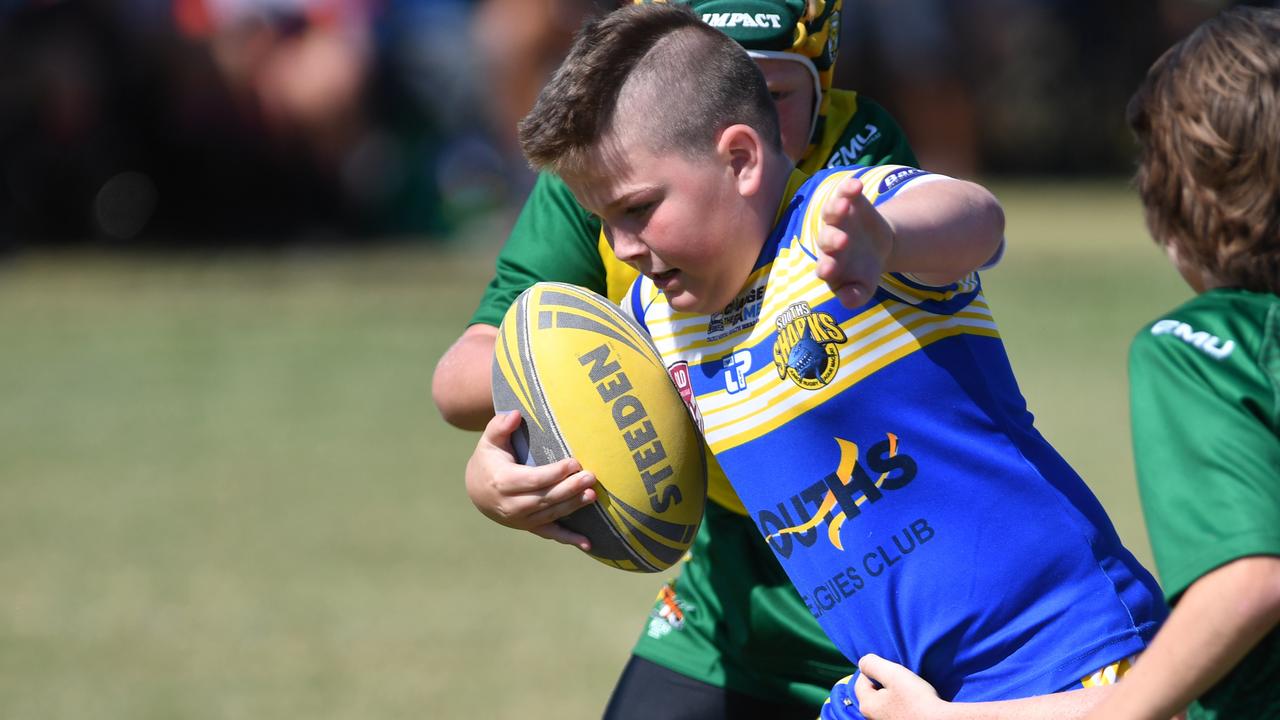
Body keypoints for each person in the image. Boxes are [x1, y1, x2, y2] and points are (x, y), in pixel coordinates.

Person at [514, 3, 1168, 717]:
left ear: (740, 159)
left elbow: (977, 220)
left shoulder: (836, 223)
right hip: (893, 692)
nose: (623, 246)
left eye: (638, 209)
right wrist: (505, 476)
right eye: (605, 222)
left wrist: (886, 238)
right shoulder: (654, 322)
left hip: (1064, 657)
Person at [436, 1, 921, 716]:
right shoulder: (614, 168)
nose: (743, 115)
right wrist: (510, 451)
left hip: (889, 555)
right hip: (734, 589)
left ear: (824, 85)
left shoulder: (857, 162)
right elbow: (463, 374)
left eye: (775, 95)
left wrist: (620, 354)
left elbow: (960, 232)